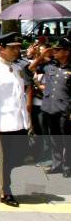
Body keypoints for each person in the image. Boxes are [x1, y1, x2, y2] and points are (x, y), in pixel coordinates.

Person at [0, 33, 30, 207]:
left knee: (21, 155)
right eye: (12, 48)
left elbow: (20, 97)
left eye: (18, 47)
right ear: (1, 49)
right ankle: (5, 192)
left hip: (18, 122)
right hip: (1, 124)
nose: (17, 51)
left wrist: (26, 119)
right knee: (4, 160)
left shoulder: (16, 69)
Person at [29, 37, 70, 177]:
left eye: (58, 50)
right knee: (54, 139)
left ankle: (67, 166)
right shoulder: (50, 65)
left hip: (65, 109)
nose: (55, 52)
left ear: (66, 52)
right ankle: (57, 164)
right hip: (49, 108)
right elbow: (31, 68)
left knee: (67, 140)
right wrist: (41, 55)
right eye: (54, 50)